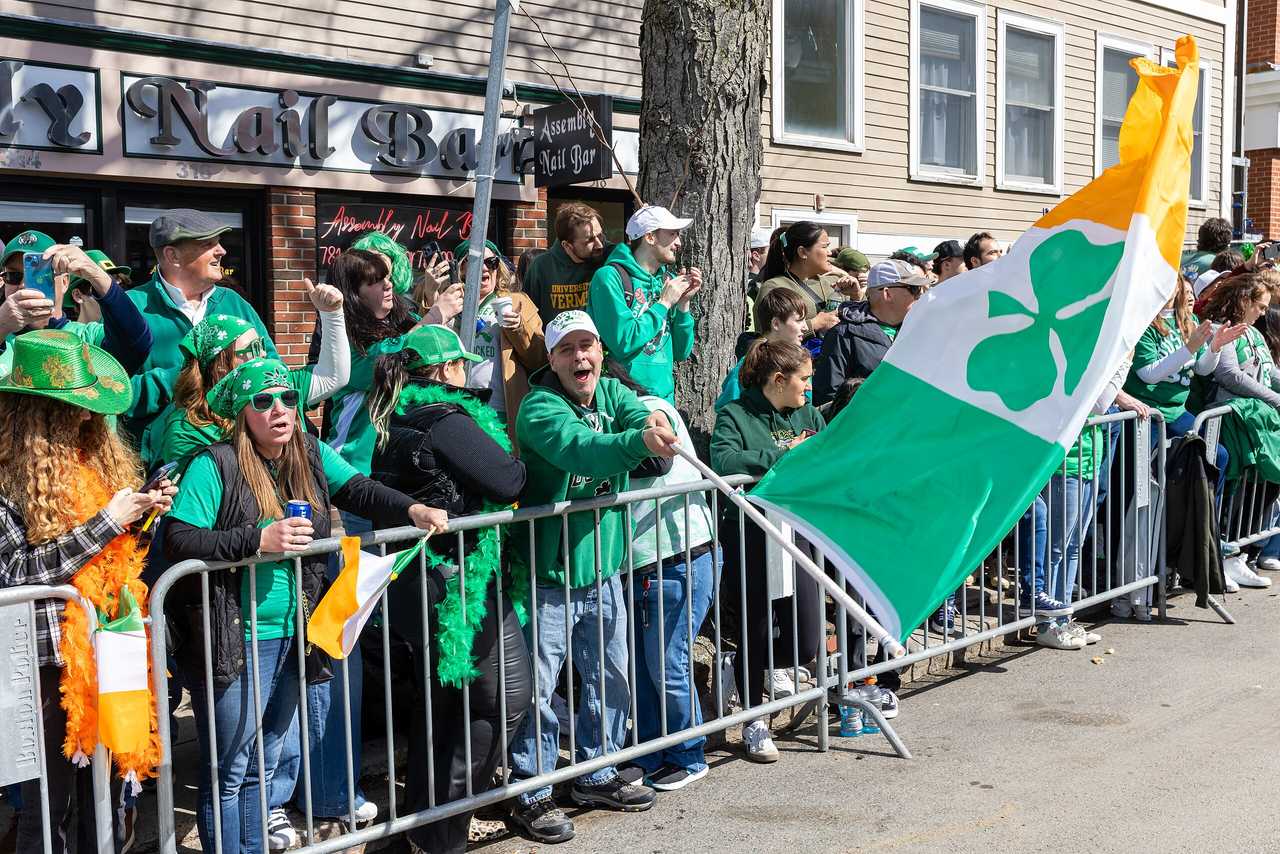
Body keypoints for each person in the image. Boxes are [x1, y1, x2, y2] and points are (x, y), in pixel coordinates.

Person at [163, 357, 446, 854]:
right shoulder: (216, 463)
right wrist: (257, 540)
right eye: (263, 401)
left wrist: (411, 508)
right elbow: (180, 538)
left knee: (263, 759)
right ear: (241, 413)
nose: (280, 410)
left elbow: (357, 488)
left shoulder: (308, 452)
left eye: (289, 399)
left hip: (298, 629)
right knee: (228, 767)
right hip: (239, 635)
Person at [0, 330, 177, 854]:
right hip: (38, 664)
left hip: (104, 653)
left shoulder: (91, 460)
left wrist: (139, 517)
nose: (89, 418)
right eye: (74, 408)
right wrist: (107, 521)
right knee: (48, 809)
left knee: (102, 799)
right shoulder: (6, 480)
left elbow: (103, 557)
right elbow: (15, 572)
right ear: (38, 412)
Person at [507, 310, 678, 844]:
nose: (581, 357)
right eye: (568, 350)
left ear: (601, 351)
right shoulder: (538, 406)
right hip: (545, 575)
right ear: (552, 359)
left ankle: (596, 772)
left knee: (611, 674)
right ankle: (531, 790)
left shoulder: (610, 392)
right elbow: (578, 450)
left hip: (603, 568)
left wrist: (652, 430)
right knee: (537, 688)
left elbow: (638, 418)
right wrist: (640, 446)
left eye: (589, 346)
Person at [366, 324, 532, 854]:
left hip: (426, 584)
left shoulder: (393, 417)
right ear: (443, 372)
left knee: (442, 710)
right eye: (461, 364)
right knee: (497, 703)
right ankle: (440, 834)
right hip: (456, 586)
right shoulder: (444, 419)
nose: (468, 372)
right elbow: (508, 480)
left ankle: (420, 834)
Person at [710, 339, 824, 763]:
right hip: (753, 532)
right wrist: (780, 455)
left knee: (807, 639)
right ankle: (754, 719)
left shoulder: (808, 415)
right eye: (804, 380)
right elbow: (723, 460)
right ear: (778, 380)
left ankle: (739, 667)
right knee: (755, 629)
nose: (809, 390)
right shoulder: (735, 415)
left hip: (800, 531)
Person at [607, 362, 718, 792]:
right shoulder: (632, 412)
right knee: (644, 664)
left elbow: (657, 458)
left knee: (666, 661)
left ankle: (688, 754)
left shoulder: (650, 407)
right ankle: (654, 750)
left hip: (675, 556)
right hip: (644, 561)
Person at [143, 278, 348, 474]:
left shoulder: (277, 384)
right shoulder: (186, 428)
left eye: (261, 346)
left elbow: (332, 377)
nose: (262, 355)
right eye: (252, 349)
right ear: (221, 366)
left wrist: (332, 314)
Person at [122, 209, 277, 442]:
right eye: (208, 243)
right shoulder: (130, 308)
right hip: (161, 466)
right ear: (172, 255)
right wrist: (184, 377)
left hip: (238, 458)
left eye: (219, 242)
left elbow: (274, 373)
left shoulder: (235, 303)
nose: (221, 251)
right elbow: (113, 393)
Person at [586, 205, 698, 405]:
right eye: (672, 234)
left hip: (664, 400)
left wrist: (683, 304)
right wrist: (664, 303)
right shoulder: (609, 278)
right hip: (623, 401)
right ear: (650, 237)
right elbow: (623, 341)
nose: (679, 242)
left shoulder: (667, 280)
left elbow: (681, 352)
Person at [2, 234, 153, 377]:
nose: (23, 285)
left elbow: (136, 345)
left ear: (65, 282)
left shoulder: (88, 337)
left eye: (38, 275)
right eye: (13, 276)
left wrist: (96, 275)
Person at [453, 238, 547, 437]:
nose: (485, 268)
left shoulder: (516, 302)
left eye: (492, 262)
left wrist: (518, 328)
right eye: (477, 262)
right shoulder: (448, 304)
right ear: (460, 270)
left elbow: (539, 358)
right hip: (457, 409)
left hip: (500, 411)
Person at [812, 259, 927, 406]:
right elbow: (829, 398)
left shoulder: (917, 329)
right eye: (914, 289)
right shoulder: (843, 334)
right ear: (888, 294)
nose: (920, 295)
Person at [754, 221, 846, 345]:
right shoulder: (775, 287)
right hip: (794, 362)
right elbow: (766, 336)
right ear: (802, 252)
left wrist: (857, 295)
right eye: (824, 247)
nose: (830, 252)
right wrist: (814, 324)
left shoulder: (834, 283)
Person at [717, 287, 806, 410]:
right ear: (776, 324)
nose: (805, 327)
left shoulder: (801, 364)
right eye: (799, 320)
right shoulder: (749, 366)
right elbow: (727, 410)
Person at [523, 202, 610, 325]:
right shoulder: (541, 267)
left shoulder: (609, 256)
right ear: (567, 245)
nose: (599, 244)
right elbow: (529, 317)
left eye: (600, 235)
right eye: (589, 240)